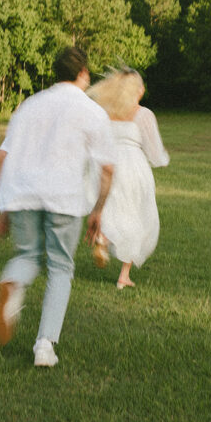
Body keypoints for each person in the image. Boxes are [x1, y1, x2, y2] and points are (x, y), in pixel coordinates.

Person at [0, 46, 117, 367]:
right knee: (60, 266)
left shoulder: (28, 106)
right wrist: (98, 210)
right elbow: (108, 169)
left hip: (22, 194)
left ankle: (13, 285)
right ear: (83, 74)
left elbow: (1, 158)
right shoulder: (91, 112)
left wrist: (3, 208)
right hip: (65, 198)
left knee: (26, 256)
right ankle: (44, 346)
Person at [86, 67, 169, 289]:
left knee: (110, 209)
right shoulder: (143, 114)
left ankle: (104, 238)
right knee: (136, 217)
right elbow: (154, 152)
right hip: (134, 168)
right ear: (137, 91)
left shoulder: (105, 111)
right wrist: (161, 159)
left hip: (108, 164)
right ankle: (124, 275)